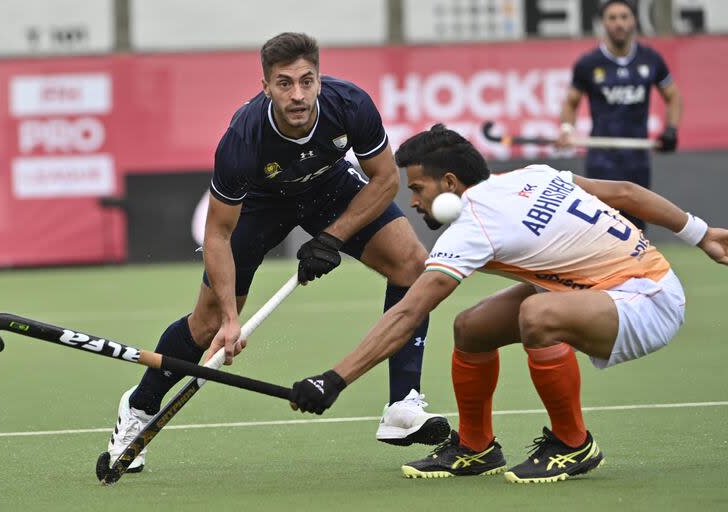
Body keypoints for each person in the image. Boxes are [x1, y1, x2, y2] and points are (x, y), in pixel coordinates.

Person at [288, 124, 728, 484]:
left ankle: (573, 444)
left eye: (418, 188)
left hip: (647, 300)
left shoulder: (470, 227)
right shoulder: (528, 175)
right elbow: (626, 193)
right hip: (602, 287)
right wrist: (700, 233)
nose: (414, 201)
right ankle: (476, 447)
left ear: (450, 184)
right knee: (472, 327)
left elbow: (408, 313)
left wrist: (334, 380)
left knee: (537, 315)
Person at [105, 32, 450, 472]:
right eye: (284, 84)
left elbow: (385, 180)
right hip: (261, 206)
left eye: (307, 81)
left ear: (320, 80)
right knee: (206, 322)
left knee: (412, 265)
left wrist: (332, 238)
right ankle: (139, 408)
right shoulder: (243, 138)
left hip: (331, 189)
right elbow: (217, 235)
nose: (298, 94)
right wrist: (230, 319)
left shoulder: (351, 105)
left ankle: (402, 405)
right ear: (266, 86)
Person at [557, 0, 682, 231]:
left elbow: (673, 96)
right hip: (601, 160)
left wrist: (671, 129)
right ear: (604, 23)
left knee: (636, 229)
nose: (619, 24)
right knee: (602, 227)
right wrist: (566, 129)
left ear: (633, 21)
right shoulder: (588, 64)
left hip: (637, 159)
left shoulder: (650, 59)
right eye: (612, 18)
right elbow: (571, 103)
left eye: (624, 17)